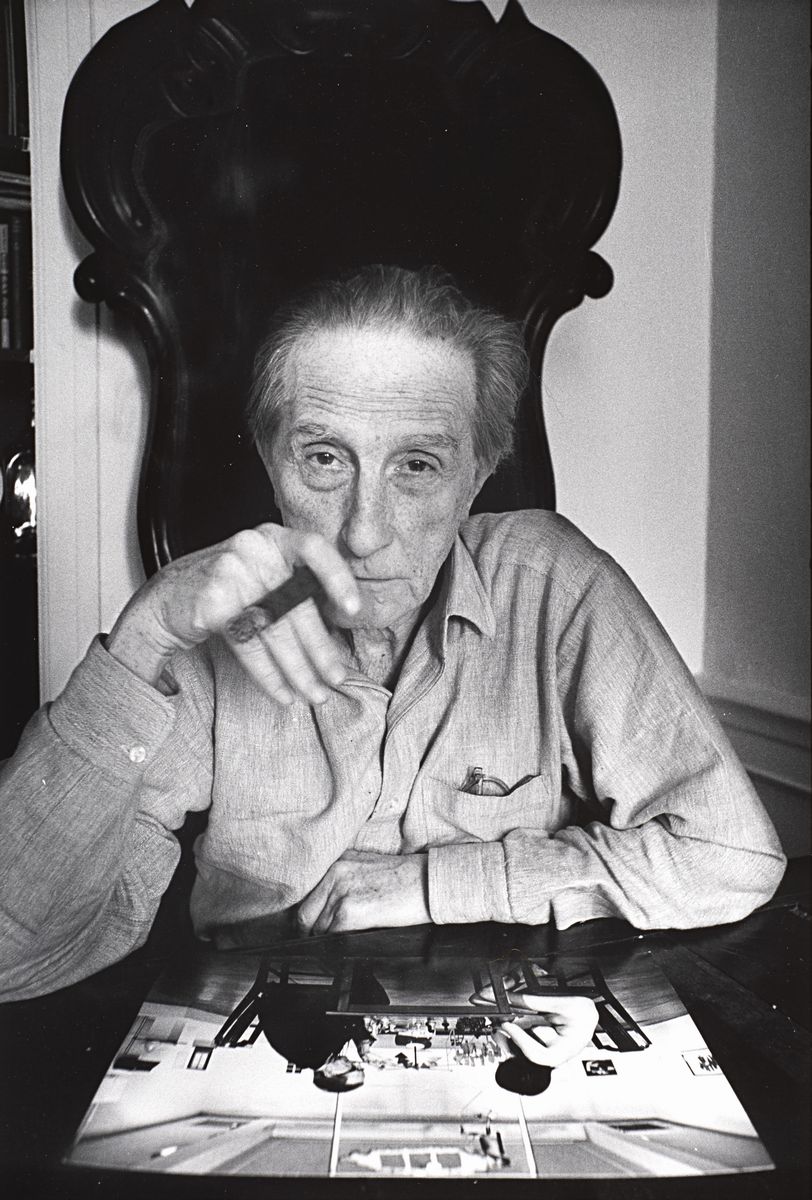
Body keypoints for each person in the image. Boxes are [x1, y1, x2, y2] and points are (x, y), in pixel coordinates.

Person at [0, 265, 785, 1001]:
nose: (365, 533)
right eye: (324, 459)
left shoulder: (556, 587)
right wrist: (144, 634)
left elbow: (731, 857)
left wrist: (435, 884)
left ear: (478, 475)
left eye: (417, 466)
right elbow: (16, 956)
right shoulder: (217, 622)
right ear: (271, 461)